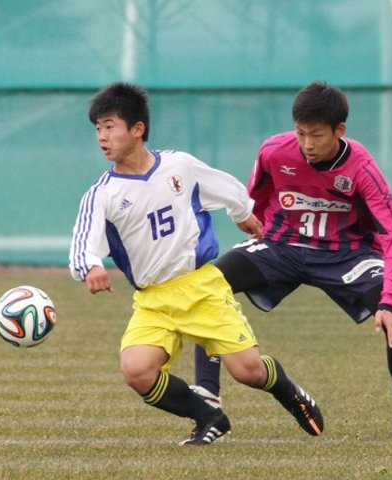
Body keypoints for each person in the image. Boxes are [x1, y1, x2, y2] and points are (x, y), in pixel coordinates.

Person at [68, 82, 324, 446]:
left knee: (248, 371)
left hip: (202, 288)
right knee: (136, 370)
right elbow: (83, 240)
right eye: (97, 129)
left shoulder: (179, 166)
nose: (102, 137)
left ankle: (290, 392)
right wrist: (91, 266)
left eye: (109, 126)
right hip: (154, 300)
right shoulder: (103, 193)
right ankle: (209, 417)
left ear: (137, 129)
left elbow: (227, 186)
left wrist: (244, 212)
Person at [191, 81, 392, 440]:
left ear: (339, 131)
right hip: (282, 246)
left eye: (316, 135)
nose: (307, 144)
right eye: (301, 133)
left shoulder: (362, 169)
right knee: (205, 287)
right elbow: (256, 195)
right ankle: (208, 397)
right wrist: (252, 223)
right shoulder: (274, 151)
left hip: (346, 255)